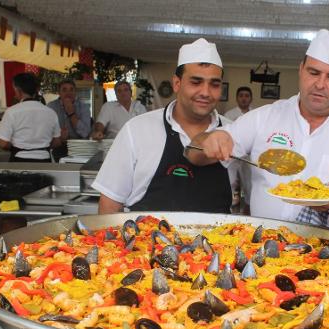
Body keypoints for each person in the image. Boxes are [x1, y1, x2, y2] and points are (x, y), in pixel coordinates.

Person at [185, 29, 329, 236]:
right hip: (262, 249)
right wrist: (213, 139)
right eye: (313, 72)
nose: (320, 84)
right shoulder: (264, 117)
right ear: (301, 70)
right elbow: (193, 152)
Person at [92, 38, 234, 214]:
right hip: (145, 239)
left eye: (214, 84)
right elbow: (110, 204)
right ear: (177, 83)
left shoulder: (235, 133)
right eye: (196, 82)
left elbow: (252, 201)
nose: (205, 92)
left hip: (219, 240)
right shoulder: (137, 130)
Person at [0, 72, 62, 162]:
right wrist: (40, 147)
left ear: (18, 90)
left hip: (19, 160)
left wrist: (16, 146)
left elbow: (3, 143)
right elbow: (57, 141)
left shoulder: (12, 112)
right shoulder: (51, 112)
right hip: (44, 161)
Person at [47, 79, 92, 161]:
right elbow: (46, 134)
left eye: (71, 89)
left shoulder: (84, 107)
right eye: (64, 90)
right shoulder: (51, 107)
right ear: (59, 93)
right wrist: (59, 138)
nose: (68, 93)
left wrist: (71, 113)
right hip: (56, 148)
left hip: (79, 149)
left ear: (75, 92)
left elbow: (85, 133)